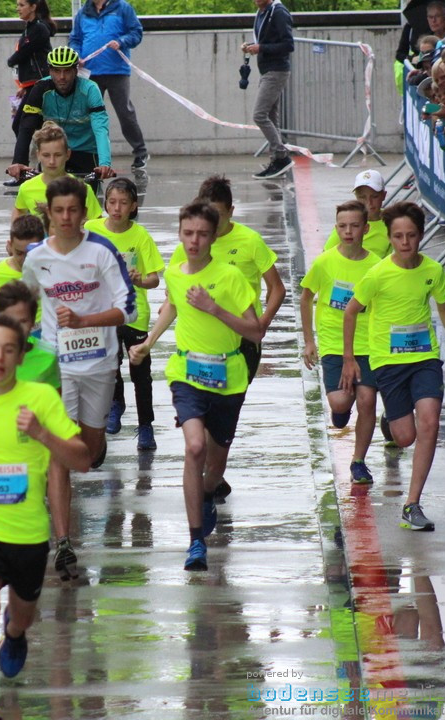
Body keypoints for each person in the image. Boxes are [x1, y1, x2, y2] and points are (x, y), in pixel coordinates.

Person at [0, 314, 89, 720]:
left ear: (21, 356)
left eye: (9, 350)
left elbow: (82, 460)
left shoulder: (41, 398)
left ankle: (15, 631)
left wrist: (43, 434)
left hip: (27, 532)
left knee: (21, 613)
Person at [127, 201, 264, 571]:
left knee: (215, 466)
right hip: (186, 374)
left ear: (214, 234)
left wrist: (215, 308)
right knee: (194, 447)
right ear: (179, 233)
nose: (194, 241)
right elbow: (173, 307)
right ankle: (195, 542)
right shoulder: (175, 271)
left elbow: (255, 331)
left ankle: (206, 494)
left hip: (229, 377)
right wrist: (147, 343)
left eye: (202, 234)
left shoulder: (230, 277)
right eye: (188, 233)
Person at [20, 175, 135, 576]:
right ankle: (63, 542)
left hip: (100, 363)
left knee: (85, 455)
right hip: (58, 366)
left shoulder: (103, 252)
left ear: (85, 213)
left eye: (73, 210)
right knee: (60, 453)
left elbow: (131, 309)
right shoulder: (36, 258)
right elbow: (26, 305)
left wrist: (86, 319)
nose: (66, 218)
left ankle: (78, 466)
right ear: (48, 214)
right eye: (59, 211)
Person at [340, 202, 445, 532]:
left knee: (430, 422)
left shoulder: (433, 271)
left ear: (420, 235)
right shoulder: (377, 275)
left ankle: (412, 504)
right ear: (390, 238)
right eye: (398, 236)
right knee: (404, 437)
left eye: (411, 235)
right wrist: (349, 358)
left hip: (424, 358)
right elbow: (351, 312)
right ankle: (391, 421)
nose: (405, 242)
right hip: (388, 361)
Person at [170, 175, 285, 392]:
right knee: (198, 401)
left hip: (243, 338)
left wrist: (262, 323)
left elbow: (277, 288)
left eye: (219, 215)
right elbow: (173, 294)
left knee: (228, 403)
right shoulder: (187, 247)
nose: (213, 222)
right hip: (202, 338)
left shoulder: (250, 241)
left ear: (231, 211)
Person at [300, 200, 382, 483]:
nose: (348, 231)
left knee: (368, 399)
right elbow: (306, 296)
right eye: (342, 226)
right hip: (334, 341)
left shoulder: (376, 265)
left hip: (369, 344)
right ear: (336, 228)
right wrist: (309, 341)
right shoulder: (325, 262)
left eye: (355, 226)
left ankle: (358, 461)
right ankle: (342, 410)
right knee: (339, 401)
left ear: (365, 228)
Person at [84, 177, 164, 450]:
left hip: (134, 312)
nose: (116, 208)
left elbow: (154, 279)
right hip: (102, 311)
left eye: (123, 203)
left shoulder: (140, 236)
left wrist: (140, 279)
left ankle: (145, 427)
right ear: (105, 203)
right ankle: (116, 402)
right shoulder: (91, 229)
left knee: (141, 372)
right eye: (112, 202)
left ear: (133, 206)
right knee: (108, 362)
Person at [8, 47, 114, 183]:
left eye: (67, 71)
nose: (62, 77)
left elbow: (100, 129)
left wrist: (105, 163)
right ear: (50, 71)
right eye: (57, 71)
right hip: (54, 151)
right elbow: (26, 126)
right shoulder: (40, 88)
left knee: (87, 200)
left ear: (76, 70)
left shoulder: (90, 89)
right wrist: (18, 161)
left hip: (85, 150)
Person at [68, 0, 149, 170]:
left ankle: (141, 153)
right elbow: (75, 39)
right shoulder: (83, 12)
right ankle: (87, 154)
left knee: (125, 112)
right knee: (88, 114)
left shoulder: (122, 8)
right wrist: (76, 55)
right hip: (90, 72)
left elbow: (136, 32)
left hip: (117, 71)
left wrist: (122, 41)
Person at [242, 0, 295, 180]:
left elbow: (289, 45)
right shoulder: (263, 12)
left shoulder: (278, 12)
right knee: (271, 116)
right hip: (267, 70)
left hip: (276, 70)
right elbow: (267, 40)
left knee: (259, 115)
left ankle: (281, 156)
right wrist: (252, 46)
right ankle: (276, 161)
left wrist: (261, 48)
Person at [11, 122, 103, 222]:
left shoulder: (83, 190)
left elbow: (97, 227)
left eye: (58, 155)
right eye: (46, 155)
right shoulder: (26, 189)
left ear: (68, 154)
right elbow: (19, 211)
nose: (52, 161)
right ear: (38, 155)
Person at [323, 170, 392, 258]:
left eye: (374, 196)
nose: (369, 202)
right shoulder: (348, 220)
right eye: (362, 197)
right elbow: (325, 255)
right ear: (356, 197)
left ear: (384, 195)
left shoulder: (392, 222)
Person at [0, 214, 45, 296]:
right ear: (10, 246)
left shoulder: (56, 270)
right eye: (19, 253)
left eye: (31, 253)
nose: (25, 259)